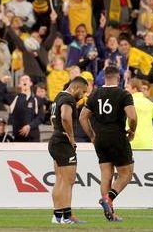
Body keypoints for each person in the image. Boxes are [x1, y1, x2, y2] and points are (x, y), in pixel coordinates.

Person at [79, 65, 136, 222]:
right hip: (117, 137)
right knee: (126, 174)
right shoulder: (123, 94)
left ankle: (110, 213)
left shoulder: (94, 94)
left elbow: (82, 117)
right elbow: (132, 117)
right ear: (119, 78)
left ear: (104, 77)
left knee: (106, 176)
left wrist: (92, 135)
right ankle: (108, 199)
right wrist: (132, 130)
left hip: (100, 139)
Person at [48, 75, 89, 225]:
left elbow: (53, 119)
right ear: (76, 87)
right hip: (63, 142)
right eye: (83, 91)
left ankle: (57, 216)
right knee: (68, 180)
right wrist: (71, 137)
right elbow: (65, 117)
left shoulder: (58, 96)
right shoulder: (68, 99)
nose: (83, 95)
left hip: (55, 140)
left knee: (60, 179)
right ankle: (66, 216)